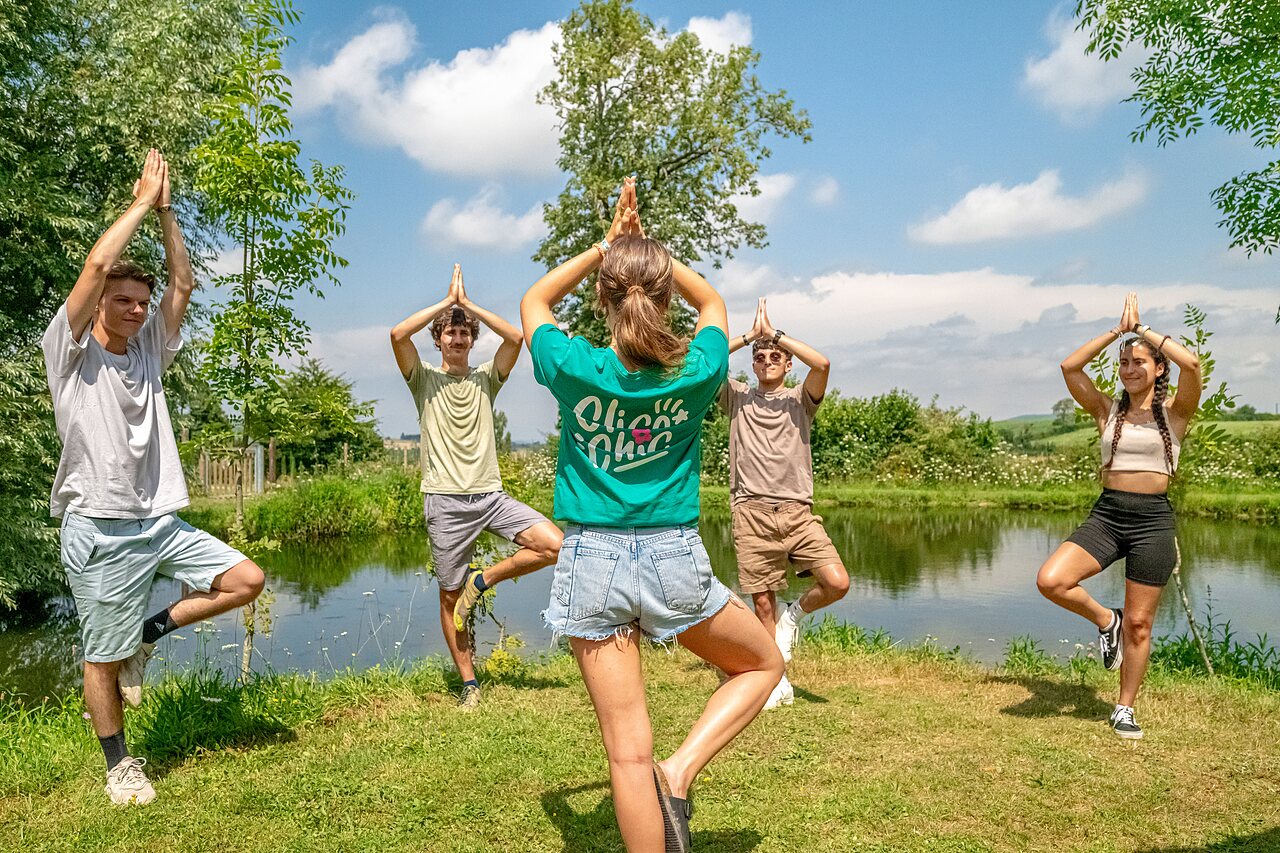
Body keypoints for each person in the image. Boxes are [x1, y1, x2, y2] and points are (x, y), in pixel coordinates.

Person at [521, 177, 784, 853]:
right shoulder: (695, 371)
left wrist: (607, 246)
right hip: (672, 557)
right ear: (665, 296)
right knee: (762, 666)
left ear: (604, 300)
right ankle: (683, 769)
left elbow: (535, 300)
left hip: (591, 558)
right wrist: (653, 256)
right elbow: (716, 301)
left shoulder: (573, 365)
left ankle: (663, 773)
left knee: (626, 753)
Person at [42, 150, 266, 805]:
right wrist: (140, 201)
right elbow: (93, 265)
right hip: (100, 526)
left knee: (245, 579)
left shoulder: (148, 347)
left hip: (158, 519)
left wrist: (168, 212)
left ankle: (150, 632)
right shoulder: (69, 350)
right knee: (99, 657)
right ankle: (119, 766)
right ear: (101, 304)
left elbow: (185, 285)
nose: (138, 311)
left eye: (142, 302)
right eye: (125, 300)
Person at [390, 264, 562, 710]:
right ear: (439, 339)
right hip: (444, 502)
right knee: (449, 597)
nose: (458, 338)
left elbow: (516, 339)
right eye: (450, 332)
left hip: (490, 496)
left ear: (471, 339)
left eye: (464, 332)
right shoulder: (423, 380)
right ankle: (469, 685)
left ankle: (481, 581)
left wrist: (468, 306)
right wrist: (446, 303)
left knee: (553, 545)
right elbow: (396, 335)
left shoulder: (487, 379)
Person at [1036, 292, 1201, 739]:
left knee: (1141, 622)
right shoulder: (1106, 411)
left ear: (1158, 367)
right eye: (1124, 363)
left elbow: (1193, 366)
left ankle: (1124, 708)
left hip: (1153, 522)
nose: (1129, 369)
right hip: (1107, 515)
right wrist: (1118, 331)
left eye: (1139, 362)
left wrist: (1143, 329)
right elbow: (1070, 368)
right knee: (1052, 580)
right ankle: (1106, 621)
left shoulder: (1176, 414)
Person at [723, 298, 849, 708]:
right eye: (760, 357)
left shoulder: (800, 400)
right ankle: (774, 679)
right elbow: (699, 361)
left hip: (797, 512)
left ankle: (792, 617)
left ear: (788, 363)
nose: (767, 360)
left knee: (836, 582)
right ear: (753, 365)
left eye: (775, 356)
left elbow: (824, 364)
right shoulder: (738, 398)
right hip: (752, 512)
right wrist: (748, 337)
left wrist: (775, 334)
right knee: (761, 603)